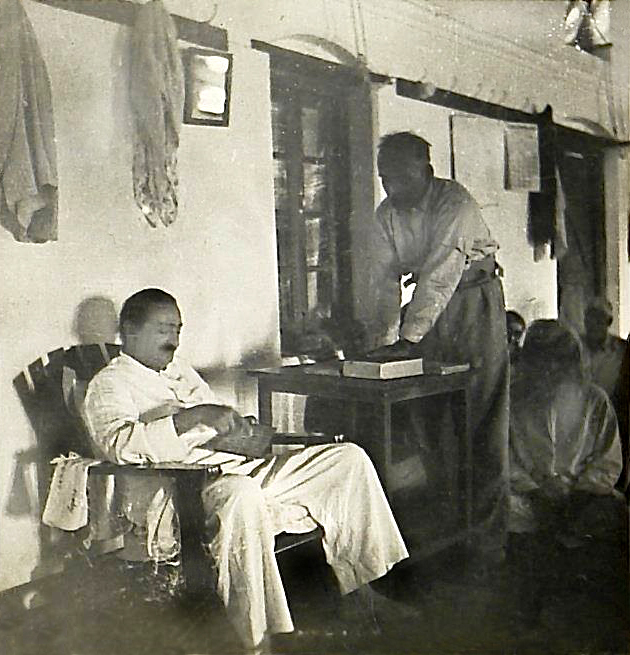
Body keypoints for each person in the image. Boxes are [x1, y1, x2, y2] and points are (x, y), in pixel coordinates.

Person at [83, 288, 409, 653]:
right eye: (163, 329)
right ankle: (255, 641)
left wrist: (242, 431)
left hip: (234, 468)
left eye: (177, 329)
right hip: (178, 491)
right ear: (129, 330)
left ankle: (362, 592)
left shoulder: (180, 373)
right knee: (242, 495)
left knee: (348, 459)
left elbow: (216, 423)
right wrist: (193, 416)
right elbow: (119, 445)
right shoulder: (109, 385)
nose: (173, 340)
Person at [366, 132, 510, 568]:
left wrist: (408, 340)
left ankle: (486, 543)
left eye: (402, 178)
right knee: (432, 418)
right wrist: (381, 342)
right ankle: (444, 531)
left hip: (473, 304)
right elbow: (382, 281)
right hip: (428, 312)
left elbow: (442, 276)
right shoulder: (386, 214)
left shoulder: (455, 203)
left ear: (427, 173)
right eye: (385, 178)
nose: (393, 188)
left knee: (481, 416)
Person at [508, 320, 624, 620]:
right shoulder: (514, 400)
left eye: (558, 361)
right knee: (511, 515)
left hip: (583, 495)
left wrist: (577, 489)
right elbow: (507, 461)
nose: (550, 371)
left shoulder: (594, 399)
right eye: (543, 361)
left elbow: (608, 461)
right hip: (530, 496)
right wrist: (538, 486)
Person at [582, 297, 628, 489]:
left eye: (598, 318)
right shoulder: (575, 347)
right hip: (582, 418)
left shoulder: (622, 350)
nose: (592, 323)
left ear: (608, 322)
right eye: (589, 318)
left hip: (616, 416)